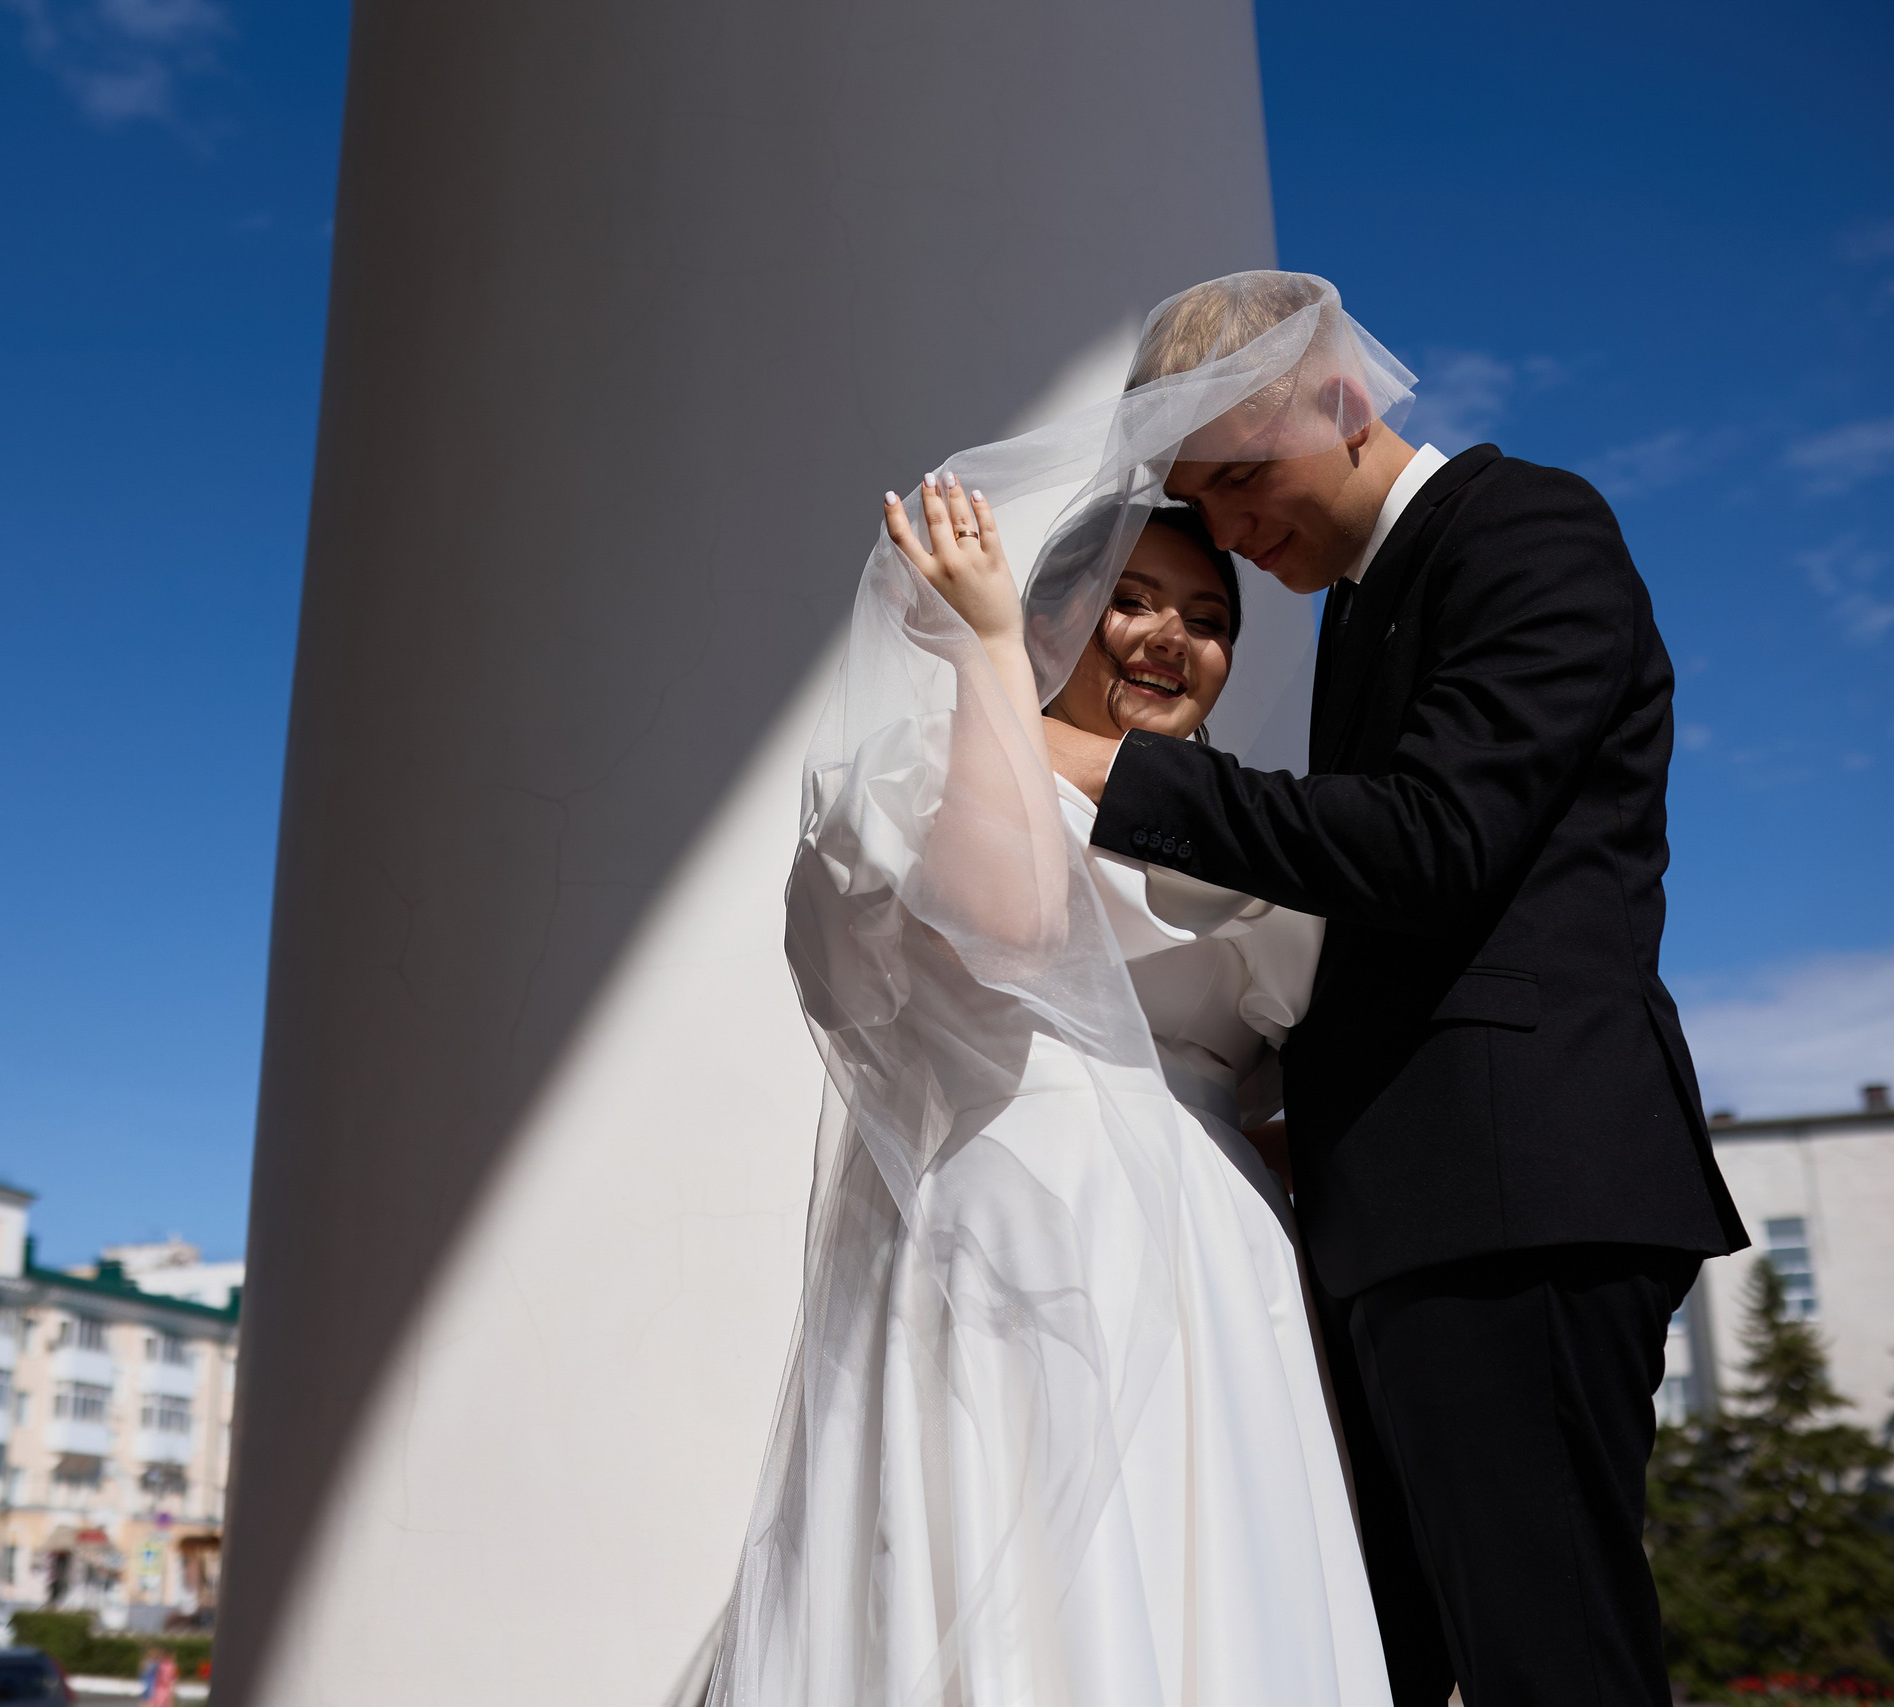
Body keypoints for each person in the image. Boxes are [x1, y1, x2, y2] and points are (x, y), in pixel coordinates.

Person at [1030, 271, 1750, 1706]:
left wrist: (1109, 771)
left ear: (1344, 402)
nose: (1227, 530)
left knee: (1551, 1660)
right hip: (1401, 1214)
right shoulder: (1359, 619)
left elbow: (1436, 842)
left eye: (1239, 480)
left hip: (1517, 1195)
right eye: (1199, 496)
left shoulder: (1529, 529)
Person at [708, 311, 1402, 1702]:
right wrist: (978, 654)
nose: (1174, 640)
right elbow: (1019, 922)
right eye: (1135, 600)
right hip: (1029, 1242)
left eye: (1211, 621)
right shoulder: (921, 771)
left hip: (1214, 1272)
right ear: (1051, 618)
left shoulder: (1248, 840)